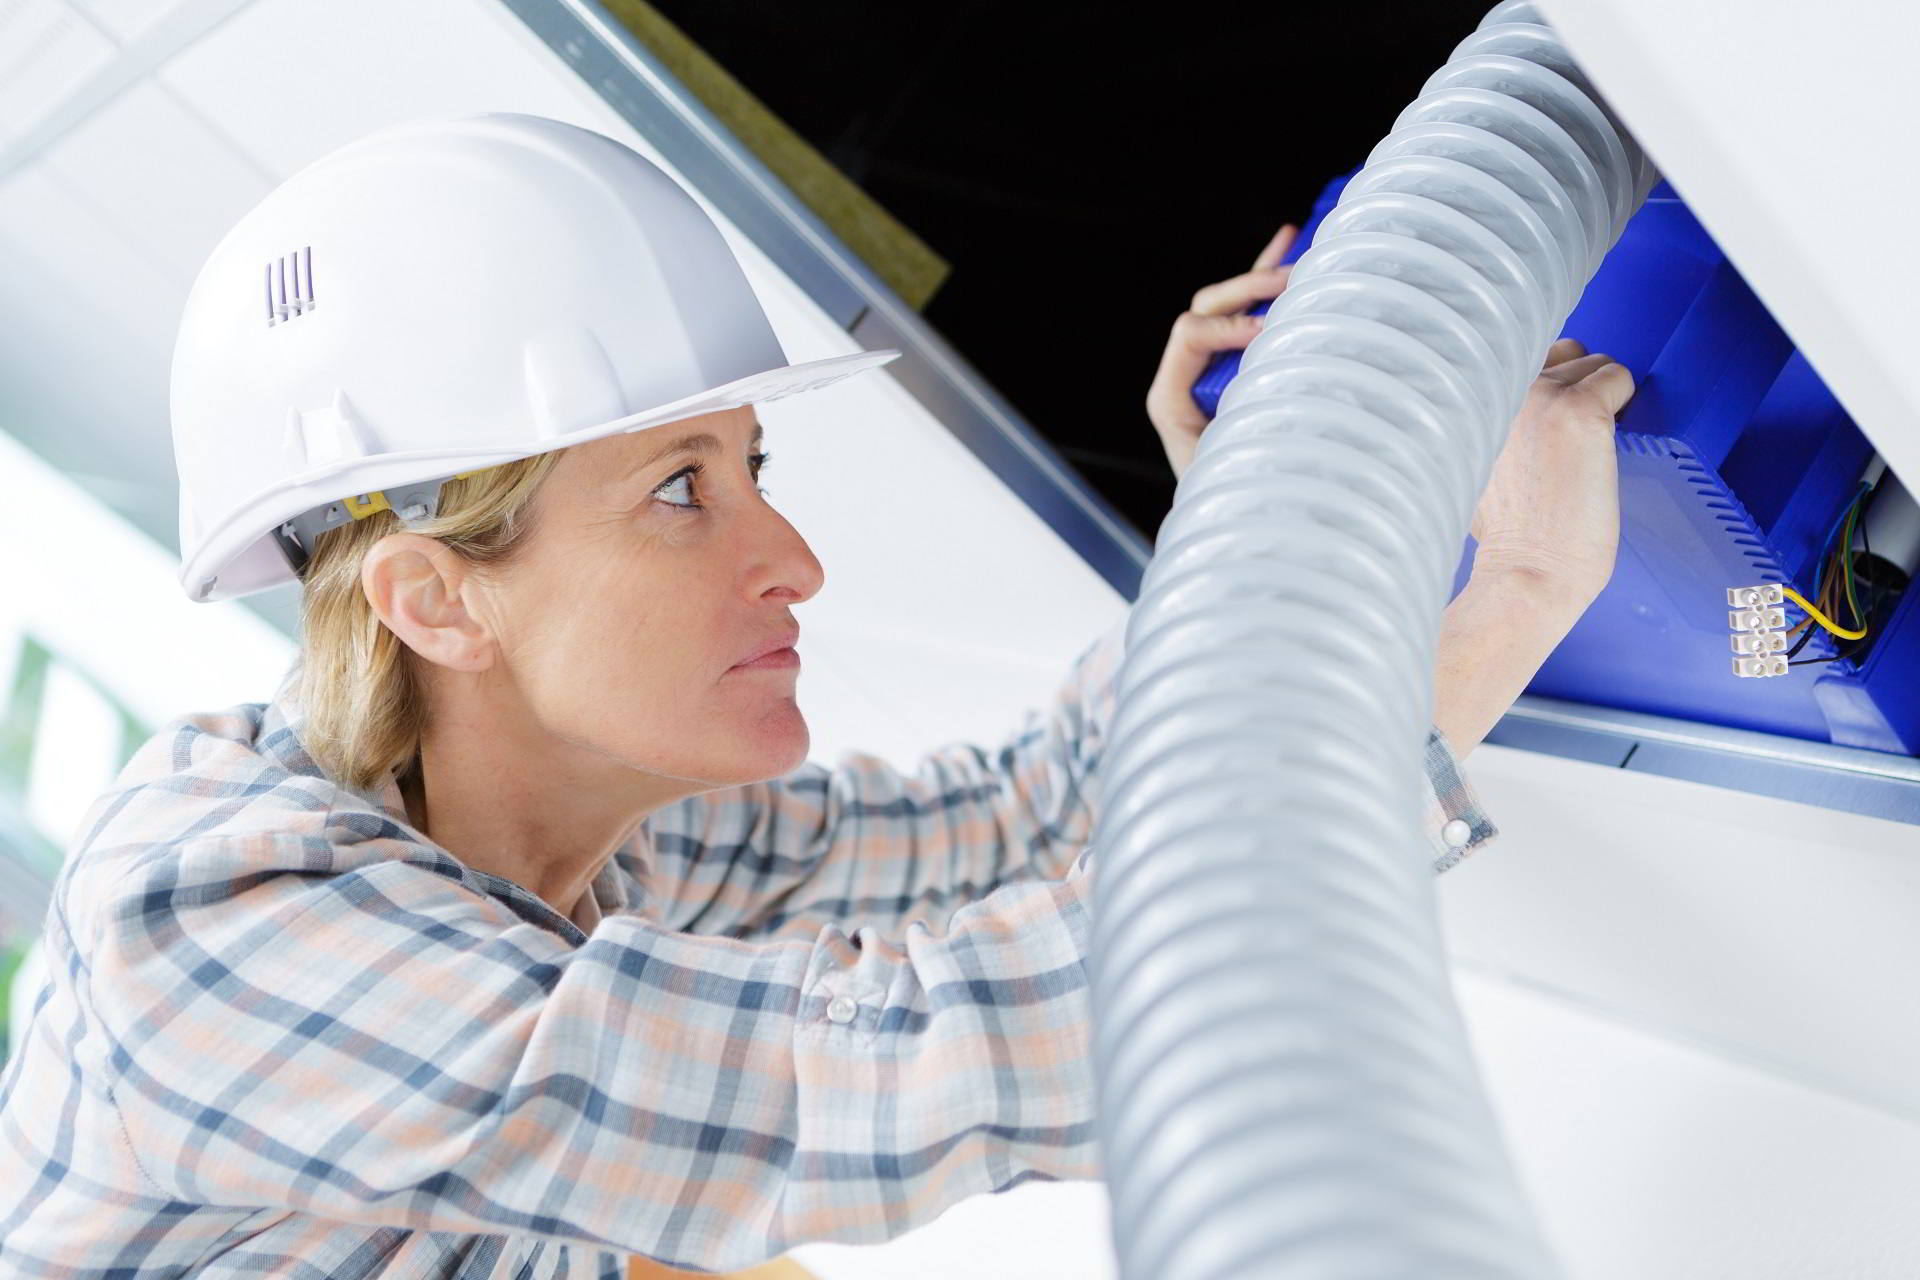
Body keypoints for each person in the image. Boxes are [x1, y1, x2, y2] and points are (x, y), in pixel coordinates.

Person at [0, 114, 1633, 1279]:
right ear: (434, 601)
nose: (794, 560)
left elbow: (1007, 822)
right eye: (678, 492)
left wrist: (1240, 515)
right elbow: (894, 1066)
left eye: (750, 466)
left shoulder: (581, 829)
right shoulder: (211, 936)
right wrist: (1515, 610)